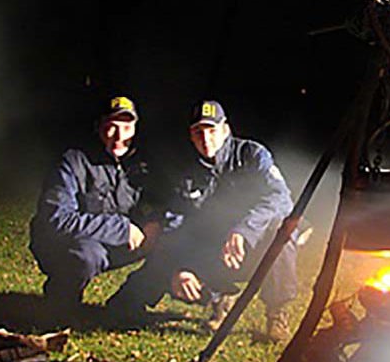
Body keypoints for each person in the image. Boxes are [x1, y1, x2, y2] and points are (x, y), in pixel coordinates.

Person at [105, 99, 299, 342]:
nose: (205, 138)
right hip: (210, 249)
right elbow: (176, 221)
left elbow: (282, 199)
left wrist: (244, 231)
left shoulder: (251, 155)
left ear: (225, 129)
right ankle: (218, 299)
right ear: (191, 135)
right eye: (198, 132)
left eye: (212, 130)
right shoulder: (187, 169)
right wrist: (181, 269)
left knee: (283, 230)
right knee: (121, 305)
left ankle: (277, 314)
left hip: (253, 247)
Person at [29, 95, 161, 317]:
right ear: (98, 126)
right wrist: (121, 229)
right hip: (63, 243)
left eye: (127, 127)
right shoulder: (73, 161)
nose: (120, 137)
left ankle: (128, 301)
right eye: (112, 127)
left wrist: (157, 222)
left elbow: (164, 201)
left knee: (171, 238)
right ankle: (60, 304)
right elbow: (56, 219)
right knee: (87, 255)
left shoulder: (142, 163)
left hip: (116, 242)